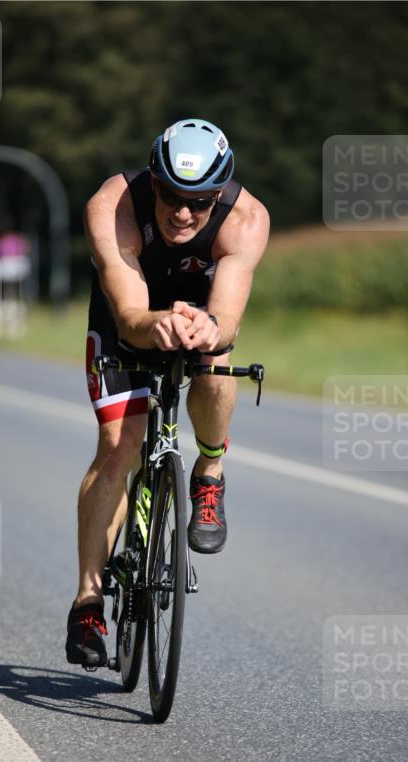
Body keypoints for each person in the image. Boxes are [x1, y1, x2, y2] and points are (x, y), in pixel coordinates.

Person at [67, 118, 270, 668]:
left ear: (221, 194)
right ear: (153, 182)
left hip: (199, 315)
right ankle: (88, 602)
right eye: (171, 196)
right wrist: (153, 322)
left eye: (200, 202)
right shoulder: (113, 206)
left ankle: (210, 471)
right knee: (118, 444)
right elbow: (131, 315)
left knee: (214, 363)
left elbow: (226, 319)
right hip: (125, 316)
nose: (183, 213)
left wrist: (208, 329)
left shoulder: (247, 220)